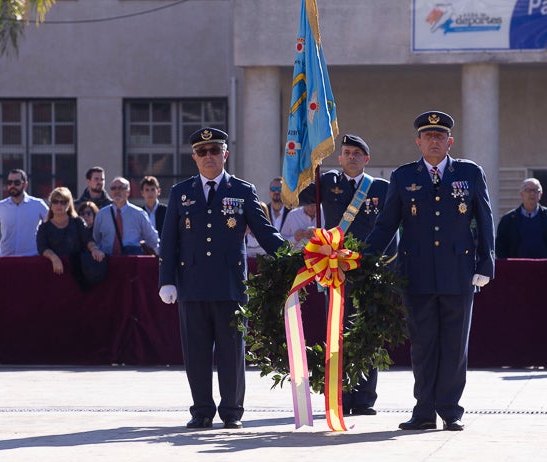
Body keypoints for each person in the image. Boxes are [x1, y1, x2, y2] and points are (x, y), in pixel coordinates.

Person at [365, 111, 495, 431]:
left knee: (454, 345)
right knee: (423, 345)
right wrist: (361, 260)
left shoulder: (470, 173)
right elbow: (386, 226)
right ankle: (423, 411)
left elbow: (486, 219)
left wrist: (486, 262)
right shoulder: (403, 176)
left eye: (440, 136)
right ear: (418, 142)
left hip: (458, 271)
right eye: (428, 136)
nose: (434, 141)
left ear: (450, 141)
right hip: (417, 272)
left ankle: (450, 410)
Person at [158, 127, 285, 430]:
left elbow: (265, 232)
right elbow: (169, 240)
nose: (209, 157)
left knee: (231, 354)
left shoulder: (242, 190)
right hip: (192, 285)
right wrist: (167, 280)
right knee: (197, 353)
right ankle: (201, 410)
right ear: (194, 157)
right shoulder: (181, 192)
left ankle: (231, 412)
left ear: (225, 154)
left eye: (215, 151)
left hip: (230, 286)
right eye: (202, 152)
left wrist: (294, 256)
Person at [298, 133, 390, 416]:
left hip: (367, 267)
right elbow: (299, 195)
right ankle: (341, 396)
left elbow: (391, 227)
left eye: (357, 153)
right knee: (337, 331)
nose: (351, 157)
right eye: (347, 152)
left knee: (367, 331)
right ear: (339, 158)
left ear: (366, 160)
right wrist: (309, 161)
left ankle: (364, 398)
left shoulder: (382, 189)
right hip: (335, 268)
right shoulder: (328, 182)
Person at [37, 187, 106, 289]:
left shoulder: (78, 222)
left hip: (77, 273)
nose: (59, 205)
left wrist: (94, 249)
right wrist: (54, 258)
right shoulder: (44, 227)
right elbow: (42, 248)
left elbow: (88, 240)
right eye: (55, 201)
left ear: (69, 205)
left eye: (63, 202)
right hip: (54, 272)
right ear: (51, 205)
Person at [495, 178, 547, 259]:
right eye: (528, 190)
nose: (532, 194)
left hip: (545, 268)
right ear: (521, 194)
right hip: (516, 268)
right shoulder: (508, 219)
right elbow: (500, 247)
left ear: (540, 195)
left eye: (535, 190)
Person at [92, 177, 158, 256]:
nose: (117, 191)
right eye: (113, 188)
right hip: (107, 261)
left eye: (121, 188)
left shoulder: (139, 214)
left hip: (131, 262)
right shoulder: (101, 214)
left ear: (128, 192)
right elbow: (96, 239)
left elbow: (152, 240)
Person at [0, 169, 49, 257]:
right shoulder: (0, 206)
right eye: (9, 182)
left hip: (31, 258)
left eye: (17, 183)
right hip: (5, 260)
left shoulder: (38, 204)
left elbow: (52, 226)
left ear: (25, 184)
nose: (12, 185)